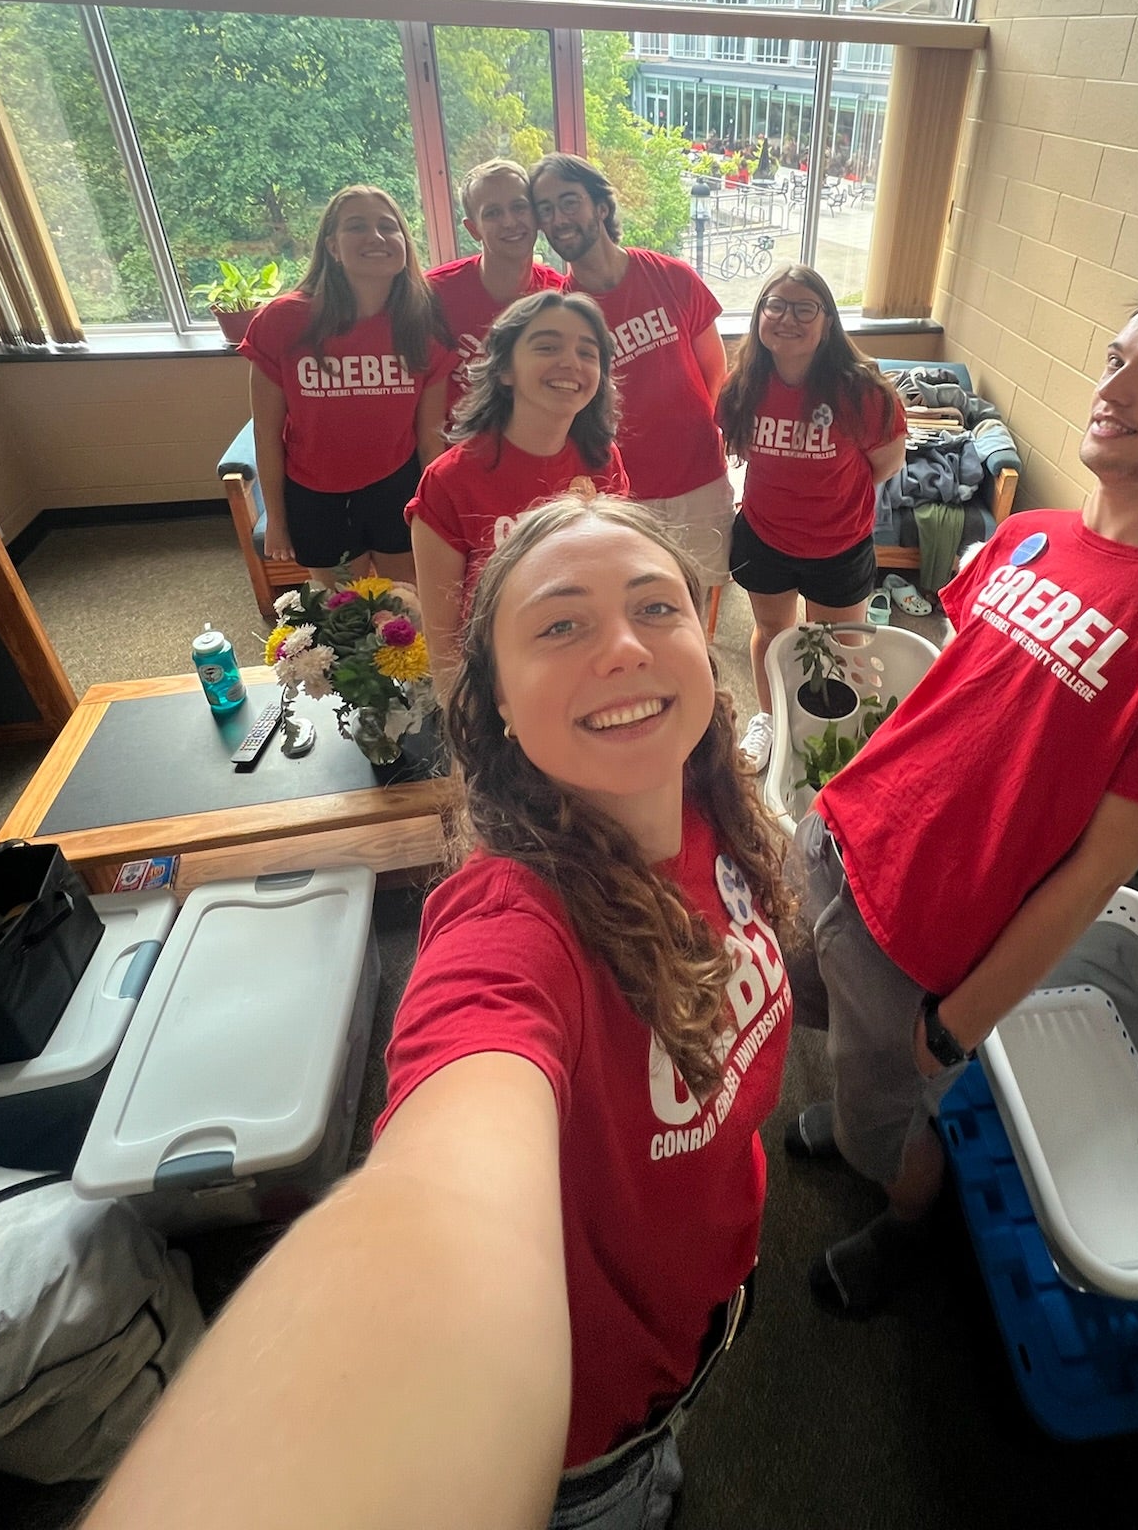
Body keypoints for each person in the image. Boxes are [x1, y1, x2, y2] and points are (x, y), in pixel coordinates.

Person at [78, 496, 795, 1530]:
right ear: (496, 698)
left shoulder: (718, 810)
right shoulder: (510, 926)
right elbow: (441, 1183)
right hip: (584, 1434)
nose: (627, 644)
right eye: (561, 623)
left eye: (658, 605)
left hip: (701, 1294)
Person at [786, 285, 1138, 1317]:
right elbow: (951, 698)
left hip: (926, 941)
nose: (1112, 385)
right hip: (839, 840)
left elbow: (1097, 874)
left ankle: (906, 1223)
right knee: (818, 1018)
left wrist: (961, 1024)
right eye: (1117, 354)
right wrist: (836, 801)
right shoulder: (1031, 535)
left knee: (895, 1115)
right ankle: (851, 1112)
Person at [715, 265, 906, 775]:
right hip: (763, 537)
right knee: (772, 633)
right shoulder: (743, 385)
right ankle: (771, 719)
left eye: (804, 308)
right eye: (775, 305)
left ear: (827, 321)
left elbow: (885, 463)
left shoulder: (862, 391)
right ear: (759, 316)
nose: (787, 318)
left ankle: (827, 727)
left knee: (837, 645)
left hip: (838, 544)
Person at [530, 154, 733, 597]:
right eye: (545, 209)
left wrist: (687, 432)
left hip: (698, 478)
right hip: (617, 493)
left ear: (600, 207)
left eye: (569, 202)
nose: (558, 218)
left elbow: (713, 369)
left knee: (693, 606)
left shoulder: (672, 277)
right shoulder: (560, 313)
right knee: (636, 607)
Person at [407, 291, 628, 691]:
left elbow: (618, 577)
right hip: (502, 684)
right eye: (547, 346)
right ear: (505, 369)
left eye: (588, 352)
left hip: (592, 666)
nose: (570, 363)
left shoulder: (603, 460)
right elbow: (444, 650)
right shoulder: (449, 482)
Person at [241, 185, 455, 583]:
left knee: (405, 610)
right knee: (344, 616)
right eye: (357, 226)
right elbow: (266, 434)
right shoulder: (282, 322)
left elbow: (430, 441)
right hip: (314, 494)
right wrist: (277, 519)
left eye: (388, 227)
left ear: (404, 244)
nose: (375, 237)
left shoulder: (422, 324)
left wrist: (438, 512)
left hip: (397, 485)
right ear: (332, 247)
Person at [427, 158, 563, 400]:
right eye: (492, 213)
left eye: (519, 207)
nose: (509, 222)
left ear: (537, 217)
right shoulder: (433, 295)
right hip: (456, 437)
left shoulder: (560, 295)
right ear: (473, 229)